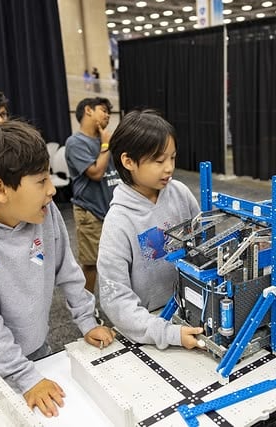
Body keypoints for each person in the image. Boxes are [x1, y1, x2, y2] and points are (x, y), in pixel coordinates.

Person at [0, 121, 116, 418]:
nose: (52, 190)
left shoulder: (43, 209)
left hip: (34, 350)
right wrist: (25, 377)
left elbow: (66, 269)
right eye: (41, 181)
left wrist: (87, 320)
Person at [97, 109, 204, 350]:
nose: (169, 168)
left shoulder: (180, 194)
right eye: (158, 161)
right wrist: (165, 332)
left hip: (191, 310)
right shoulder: (119, 221)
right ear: (128, 161)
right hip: (148, 327)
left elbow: (202, 245)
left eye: (172, 158)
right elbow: (116, 299)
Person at [65, 98, 121, 295]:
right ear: (88, 110)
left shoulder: (104, 140)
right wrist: (106, 144)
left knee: (115, 261)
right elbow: (96, 173)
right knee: (91, 264)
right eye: (103, 110)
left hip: (112, 211)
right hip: (91, 212)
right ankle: (85, 309)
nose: (107, 115)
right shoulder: (75, 143)